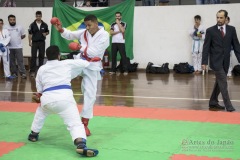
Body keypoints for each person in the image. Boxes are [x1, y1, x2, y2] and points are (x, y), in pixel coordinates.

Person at [28, 45, 98, 157]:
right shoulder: (66, 63)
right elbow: (84, 63)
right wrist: (90, 60)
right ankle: (81, 145)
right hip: (65, 99)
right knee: (75, 124)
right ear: (59, 55)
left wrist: (39, 96)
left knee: (40, 113)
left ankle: (33, 134)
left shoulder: (41, 69)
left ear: (47, 56)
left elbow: (39, 90)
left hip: (47, 98)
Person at [52, 14, 109, 136]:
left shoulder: (104, 35)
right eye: (86, 25)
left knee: (90, 95)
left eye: (89, 25)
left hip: (93, 66)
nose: (87, 28)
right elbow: (70, 35)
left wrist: (79, 46)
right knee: (63, 72)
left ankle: (84, 123)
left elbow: (95, 52)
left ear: (96, 23)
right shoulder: (84, 32)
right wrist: (61, 29)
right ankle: (43, 92)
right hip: (80, 61)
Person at [202, 10, 240, 112]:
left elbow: (237, 46)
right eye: (217, 17)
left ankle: (213, 102)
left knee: (219, 83)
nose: (219, 19)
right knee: (223, 81)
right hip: (216, 62)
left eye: (221, 18)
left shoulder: (232, 30)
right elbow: (206, 47)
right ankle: (229, 106)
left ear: (226, 18)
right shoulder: (210, 30)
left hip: (226, 61)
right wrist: (204, 62)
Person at [5, 14, 27, 79]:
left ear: (15, 20)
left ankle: (23, 73)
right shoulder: (5, 27)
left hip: (18, 47)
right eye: (11, 20)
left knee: (20, 61)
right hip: (9, 47)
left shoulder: (19, 27)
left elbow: (23, 35)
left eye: (14, 20)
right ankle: (14, 73)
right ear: (8, 20)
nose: (12, 21)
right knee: (12, 61)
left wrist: (18, 39)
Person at [28, 11, 49, 77]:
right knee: (33, 56)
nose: (38, 17)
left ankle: (40, 70)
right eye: (37, 16)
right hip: (34, 42)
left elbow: (47, 32)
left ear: (41, 16)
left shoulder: (45, 24)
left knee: (41, 56)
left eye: (39, 16)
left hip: (42, 42)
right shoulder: (32, 25)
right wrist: (29, 42)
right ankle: (32, 71)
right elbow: (30, 34)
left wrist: (46, 33)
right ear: (35, 16)